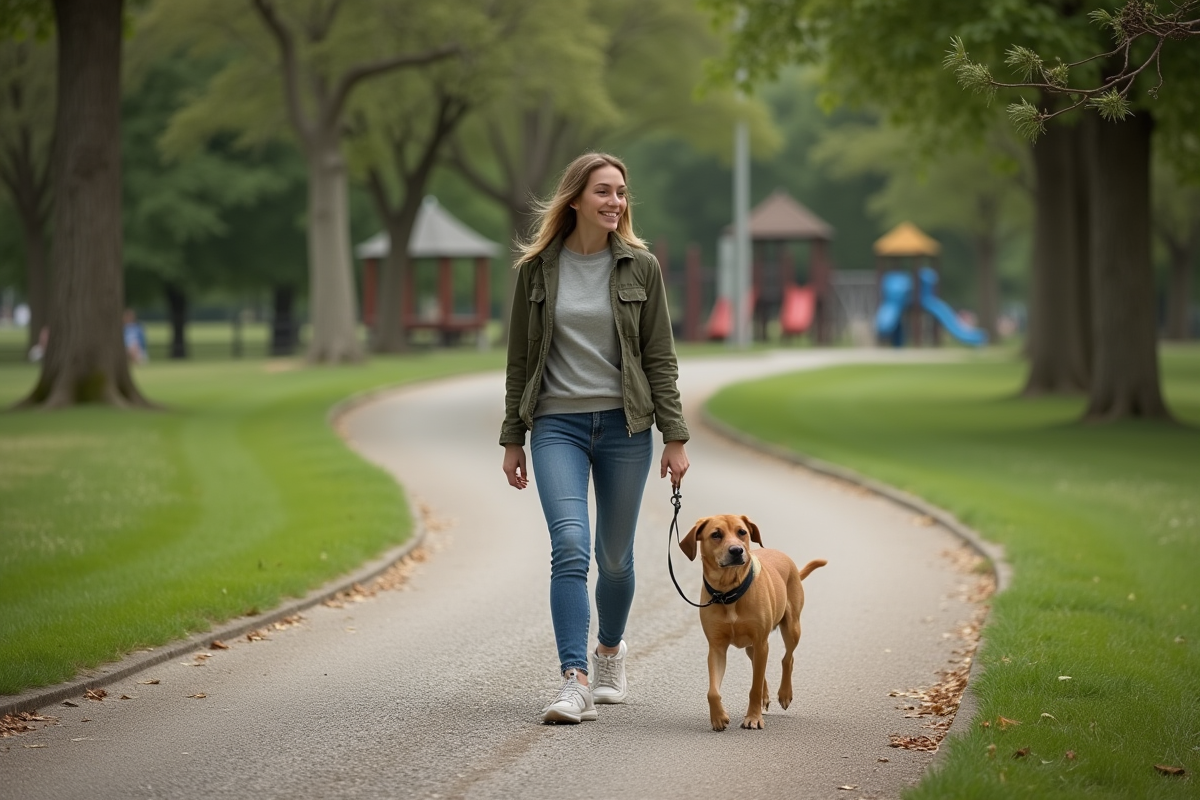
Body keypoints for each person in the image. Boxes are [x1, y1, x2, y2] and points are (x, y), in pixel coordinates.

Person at [499, 152, 690, 724]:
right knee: (571, 547)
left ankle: (609, 651)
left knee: (614, 559)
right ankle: (573, 680)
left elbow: (660, 358)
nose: (615, 202)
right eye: (604, 192)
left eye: (622, 193)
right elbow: (519, 360)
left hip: (626, 427)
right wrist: (513, 437)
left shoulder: (641, 268)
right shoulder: (537, 271)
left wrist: (674, 436)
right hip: (557, 424)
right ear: (576, 198)